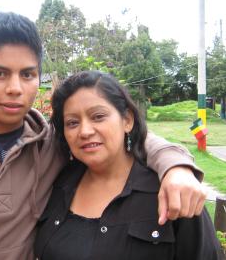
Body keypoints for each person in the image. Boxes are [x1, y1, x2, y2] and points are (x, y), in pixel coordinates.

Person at [0, 13, 206, 260]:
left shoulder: (52, 145)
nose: (15, 88)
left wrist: (175, 167)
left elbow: (119, 137)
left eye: (27, 74)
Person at [34, 70, 220, 260]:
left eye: (98, 116)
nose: (85, 131)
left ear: (127, 120)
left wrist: (177, 167)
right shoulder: (57, 183)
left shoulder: (171, 190)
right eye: (72, 123)